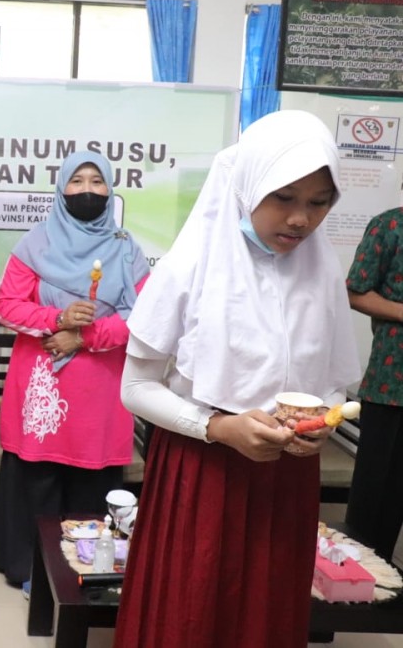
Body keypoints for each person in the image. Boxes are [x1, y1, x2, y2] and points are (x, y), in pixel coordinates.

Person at [113, 110, 361, 648]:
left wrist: (325, 418)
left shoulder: (323, 272)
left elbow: (335, 381)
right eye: (284, 197)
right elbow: (134, 388)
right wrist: (216, 427)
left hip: (287, 477)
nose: (300, 219)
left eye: (319, 203)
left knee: (266, 616)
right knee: (191, 611)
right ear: (248, 185)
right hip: (203, 472)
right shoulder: (190, 266)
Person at [0, 150, 149, 595]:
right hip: (43, 387)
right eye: (78, 181)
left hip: (99, 390)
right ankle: (28, 567)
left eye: (98, 181)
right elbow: (7, 307)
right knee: (36, 479)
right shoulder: (35, 244)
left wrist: (85, 336)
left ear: (110, 190)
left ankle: (87, 568)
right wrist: (57, 320)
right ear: (61, 189)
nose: (88, 190)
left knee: (89, 482)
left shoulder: (126, 249)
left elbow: (144, 319)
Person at [344, 207, 403, 561]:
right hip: (392, 386)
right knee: (375, 499)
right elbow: (355, 291)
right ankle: (359, 587)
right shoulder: (390, 225)